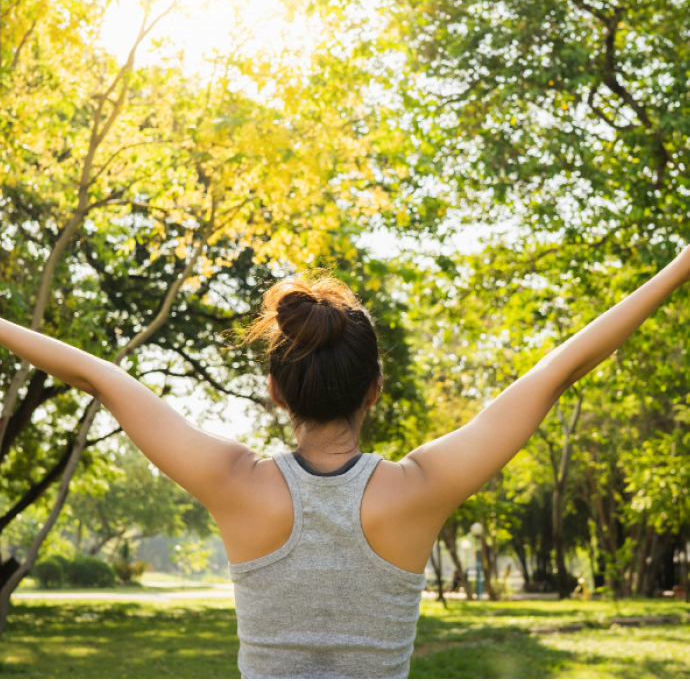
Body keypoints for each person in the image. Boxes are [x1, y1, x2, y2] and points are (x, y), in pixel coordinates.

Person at [1, 250, 690, 678]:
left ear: (275, 392)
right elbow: (555, 372)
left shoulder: (235, 484)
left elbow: (103, 378)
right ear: (375, 388)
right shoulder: (418, 490)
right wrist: (680, 265)